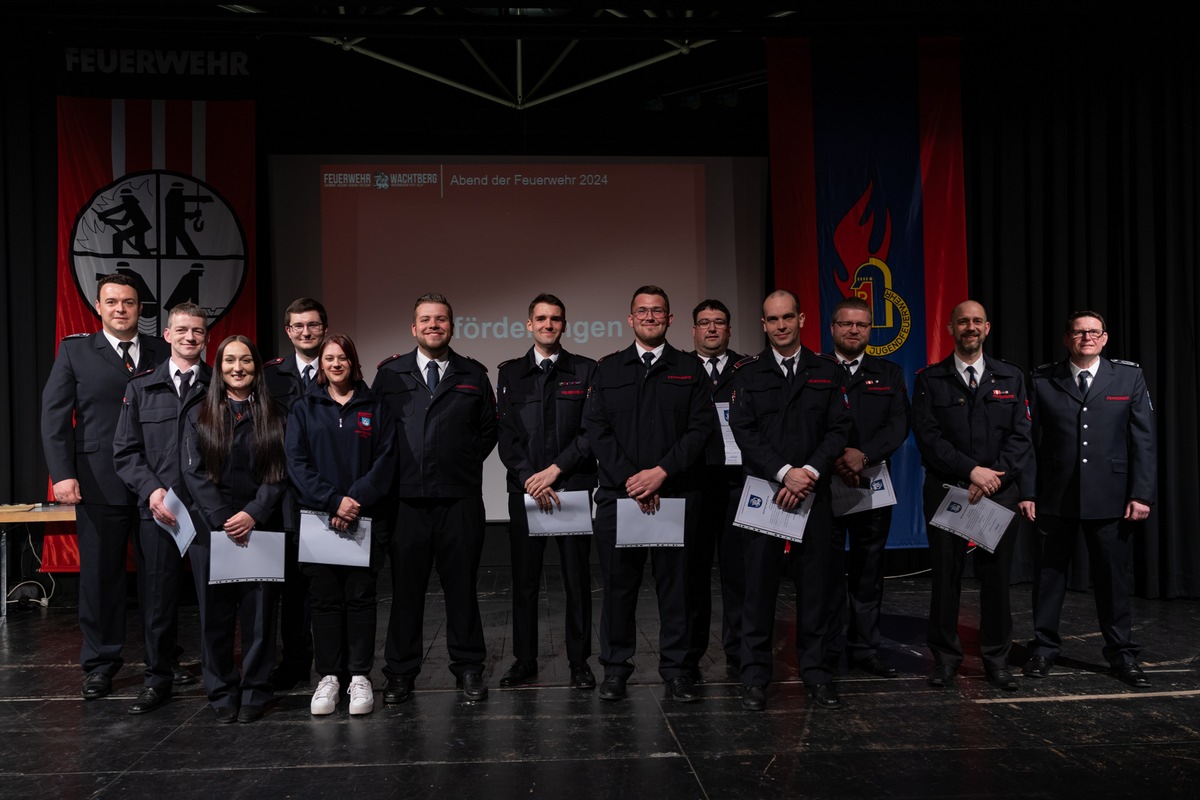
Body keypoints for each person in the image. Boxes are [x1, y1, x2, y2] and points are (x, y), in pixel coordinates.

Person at [41, 272, 170, 701]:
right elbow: (54, 417)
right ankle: (100, 664)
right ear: (98, 306)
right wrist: (61, 474)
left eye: (129, 302)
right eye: (112, 301)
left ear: (140, 308)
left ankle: (162, 661)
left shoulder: (162, 350)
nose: (120, 309)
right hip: (97, 481)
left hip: (155, 483)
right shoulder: (75, 351)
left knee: (158, 577)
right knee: (101, 578)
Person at [582, 285, 714, 703]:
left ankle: (676, 670)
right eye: (643, 311)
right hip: (620, 498)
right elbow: (596, 430)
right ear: (631, 319)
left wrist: (660, 473)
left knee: (675, 590)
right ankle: (616, 670)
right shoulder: (608, 369)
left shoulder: (689, 369)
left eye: (658, 311)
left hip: (674, 495)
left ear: (670, 319)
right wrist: (631, 480)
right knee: (619, 588)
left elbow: (700, 430)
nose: (651, 317)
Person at [728, 290, 852, 711]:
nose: (780, 326)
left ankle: (816, 675)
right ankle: (755, 677)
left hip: (812, 496)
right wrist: (784, 473)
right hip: (765, 494)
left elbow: (839, 430)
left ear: (801, 319)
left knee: (815, 590)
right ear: (763, 325)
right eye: (771, 319)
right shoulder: (747, 373)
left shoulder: (827, 370)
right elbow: (744, 432)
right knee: (757, 591)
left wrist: (809, 474)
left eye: (787, 318)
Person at [1018, 311, 1157, 687]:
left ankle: (1122, 654)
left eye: (1093, 332)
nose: (1086, 338)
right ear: (1067, 339)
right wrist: (1027, 491)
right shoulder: (1043, 378)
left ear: (1105, 338)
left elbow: (1142, 439)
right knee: (1049, 579)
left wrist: (1141, 493)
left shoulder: (1128, 376)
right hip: (1054, 496)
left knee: (1112, 580)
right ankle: (1045, 649)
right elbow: (1028, 441)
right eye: (1079, 332)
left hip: (1111, 496)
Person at [374, 293, 498, 703]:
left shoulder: (474, 374)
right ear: (413, 328)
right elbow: (377, 435)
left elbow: (487, 433)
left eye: (441, 319)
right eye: (425, 319)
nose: (433, 325)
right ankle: (400, 673)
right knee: (406, 592)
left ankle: (468, 669)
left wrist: (456, 465)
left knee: (462, 590)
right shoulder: (389, 375)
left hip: (458, 500)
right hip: (405, 502)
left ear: (451, 326)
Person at [911, 300, 1032, 691]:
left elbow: (1021, 436)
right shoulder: (931, 379)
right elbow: (928, 438)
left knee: (996, 581)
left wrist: (991, 477)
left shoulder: (1011, 377)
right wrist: (970, 471)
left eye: (977, 321)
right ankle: (945, 659)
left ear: (988, 327)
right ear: (950, 328)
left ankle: (997, 659)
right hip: (949, 490)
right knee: (945, 579)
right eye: (962, 321)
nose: (970, 326)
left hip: (998, 493)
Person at [287, 334, 396, 716]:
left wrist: (353, 501)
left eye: (342, 358)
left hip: (364, 520)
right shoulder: (303, 408)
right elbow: (297, 464)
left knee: (361, 599)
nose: (336, 364)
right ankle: (330, 676)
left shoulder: (375, 407)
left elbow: (386, 462)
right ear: (321, 364)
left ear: (353, 361)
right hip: (318, 521)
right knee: (325, 601)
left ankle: (360, 676)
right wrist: (334, 501)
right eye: (328, 358)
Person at [112, 302, 212, 714]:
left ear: (206, 338)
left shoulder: (222, 385)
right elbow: (125, 451)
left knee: (215, 599)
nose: (191, 337)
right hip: (159, 511)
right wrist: (151, 491)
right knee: (156, 600)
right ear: (167, 335)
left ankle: (219, 678)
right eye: (183, 330)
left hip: (209, 512)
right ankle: (157, 680)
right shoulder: (141, 387)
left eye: (199, 332)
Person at [495, 294, 598, 690]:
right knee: (524, 581)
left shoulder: (585, 371)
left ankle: (579, 661)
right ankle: (525, 660)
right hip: (526, 492)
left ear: (564, 324)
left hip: (571, 487)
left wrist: (554, 471)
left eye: (555, 319)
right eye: (541, 318)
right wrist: (529, 478)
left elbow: (591, 432)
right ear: (529, 324)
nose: (548, 324)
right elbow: (506, 436)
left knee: (576, 580)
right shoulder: (511, 373)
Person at [183, 336, 288, 723]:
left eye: (246, 360)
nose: (237, 367)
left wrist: (253, 514)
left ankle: (256, 689)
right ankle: (221, 690)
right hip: (212, 531)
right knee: (215, 617)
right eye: (229, 360)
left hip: (260, 528)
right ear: (219, 366)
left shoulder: (276, 414)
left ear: (257, 367)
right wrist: (224, 518)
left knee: (260, 618)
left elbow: (280, 473)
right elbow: (192, 472)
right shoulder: (199, 413)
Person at [823, 297, 911, 678]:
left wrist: (865, 455)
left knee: (867, 571)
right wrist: (838, 457)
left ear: (870, 330)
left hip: (872, 484)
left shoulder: (888, 373)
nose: (853, 330)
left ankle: (864, 649)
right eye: (845, 324)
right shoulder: (816, 370)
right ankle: (825, 649)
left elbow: (898, 424)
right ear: (833, 328)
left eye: (860, 324)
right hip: (824, 484)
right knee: (823, 572)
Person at [263, 297, 327, 690]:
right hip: (282, 499)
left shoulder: (342, 369)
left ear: (324, 328)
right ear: (288, 332)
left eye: (313, 325)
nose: (306, 332)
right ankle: (294, 663)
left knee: (329, 585)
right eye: (298, 326)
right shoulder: (269, 377)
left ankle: (334, 664)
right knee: (290, 588)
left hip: (327, 496)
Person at [683, 298, 746, 682]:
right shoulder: (680, 368)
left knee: (738, 573)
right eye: (704, 323)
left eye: (718, 322)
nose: (711, 329)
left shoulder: (748, 369)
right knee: (692, 575)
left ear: (728, 330)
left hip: (738, 484)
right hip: (692, 483)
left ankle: (739, 651)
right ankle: (691, 654)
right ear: (693, 330)